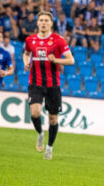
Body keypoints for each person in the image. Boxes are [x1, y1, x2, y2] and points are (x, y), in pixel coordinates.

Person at [23, 11, 75, 160]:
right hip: (35, 83)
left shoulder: (59, 40)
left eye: (46, 20)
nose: (44, 23)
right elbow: (26, 53)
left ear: (51, 23)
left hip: (53, 85)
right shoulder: (30, 40)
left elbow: (71, 60)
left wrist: (56, 60)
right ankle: (40, 133)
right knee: (35, 113)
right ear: (37, 23)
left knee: (53, 119)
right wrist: (27, 61)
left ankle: (49, 147)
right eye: (41, 20)